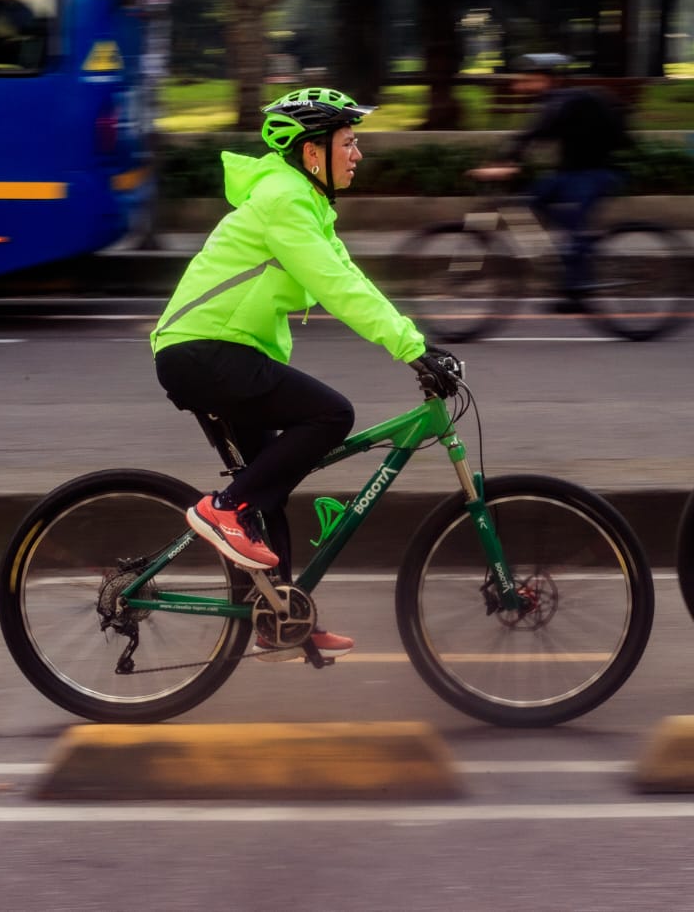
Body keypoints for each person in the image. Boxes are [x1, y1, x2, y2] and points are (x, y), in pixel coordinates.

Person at [150, 87, 460, 660]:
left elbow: (352, 277)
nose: (358, 154)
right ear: (313, 152)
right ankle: (221, 510)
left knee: (268, 490)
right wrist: (411, 349)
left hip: (216, 353)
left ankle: (278, 614)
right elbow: (335, 288)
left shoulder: (306, 203)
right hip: (203, 352)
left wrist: (420, 343)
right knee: (331, 414)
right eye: (349, 142)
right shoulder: (284, 201)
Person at [471, 53, 633, 312]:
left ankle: (577, 289)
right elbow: (532, 135)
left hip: (595, 174)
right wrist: (506, 161)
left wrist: (505, 163)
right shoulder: (554, 102)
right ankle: (573, 253)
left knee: (573, 230)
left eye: (529, 80)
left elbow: (533, 134)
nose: (521, 86)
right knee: (530, 201)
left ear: (548, 81)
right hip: (569, 173)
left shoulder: (561, 102)